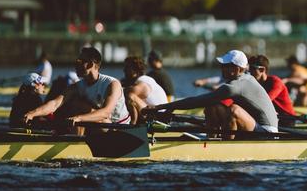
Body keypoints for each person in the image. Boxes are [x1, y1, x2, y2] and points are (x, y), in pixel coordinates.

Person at [144, 50, 278, 135]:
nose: (221, 68)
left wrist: (159, 107)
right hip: (254, 124)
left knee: (234, 110)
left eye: (225, 66)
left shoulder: (234, 87)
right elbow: (206, 101)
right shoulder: (244, 77)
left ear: (237, 69)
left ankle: (226, 147)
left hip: (267, 131)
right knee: (212, 106)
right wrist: (170, 109)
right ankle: (212, 138)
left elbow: (196, 101)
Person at [23, 47, 130, 133]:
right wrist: (32, 113)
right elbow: (55, 104)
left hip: (120, 128)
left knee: (81, 109)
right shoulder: (77, 86)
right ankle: (76, 141)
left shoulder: (112, 84)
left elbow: (105, 113)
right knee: (76, 104)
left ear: (90, 64)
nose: (75, 65)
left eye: (79, 62)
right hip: (98, 125)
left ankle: (76, 141)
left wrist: (78, 118)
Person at [249, 54, 297, 125]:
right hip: (273, 117)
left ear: (262, 69)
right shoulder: (255, 84)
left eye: (252, 68)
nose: (250, 72)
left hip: (287, 119)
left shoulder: (275, 82)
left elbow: (265, 101)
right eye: (249, 68)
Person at [122, 56, 168, 125]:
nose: (124, 70)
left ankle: (132, 125)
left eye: (127, 67)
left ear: (135, 69)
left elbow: (125, 92)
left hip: (159, 119)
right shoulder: (146, 79)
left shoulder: (142, 82)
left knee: (130, 96)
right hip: (156, 113)